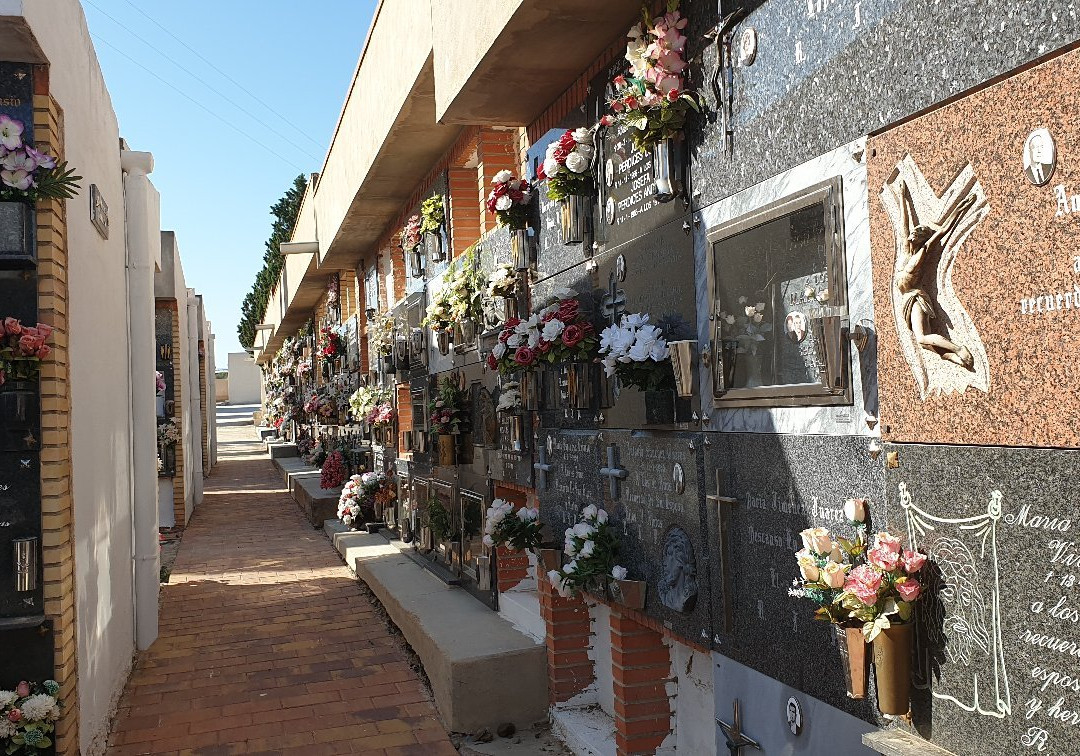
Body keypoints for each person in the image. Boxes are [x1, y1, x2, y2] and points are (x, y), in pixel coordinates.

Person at [894, 180, 977, 370]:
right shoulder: (905, 252)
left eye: (918, 232)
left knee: (922, 337)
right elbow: (903, 224)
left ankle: (959, 349)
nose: (913, 233)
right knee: (923, 342)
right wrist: (901, 197)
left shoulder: (922, 252)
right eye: (914, 232)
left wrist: (961, 207)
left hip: (916, 297)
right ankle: (954, 358)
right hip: (906, 299)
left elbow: (942, 230)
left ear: (922, 238)